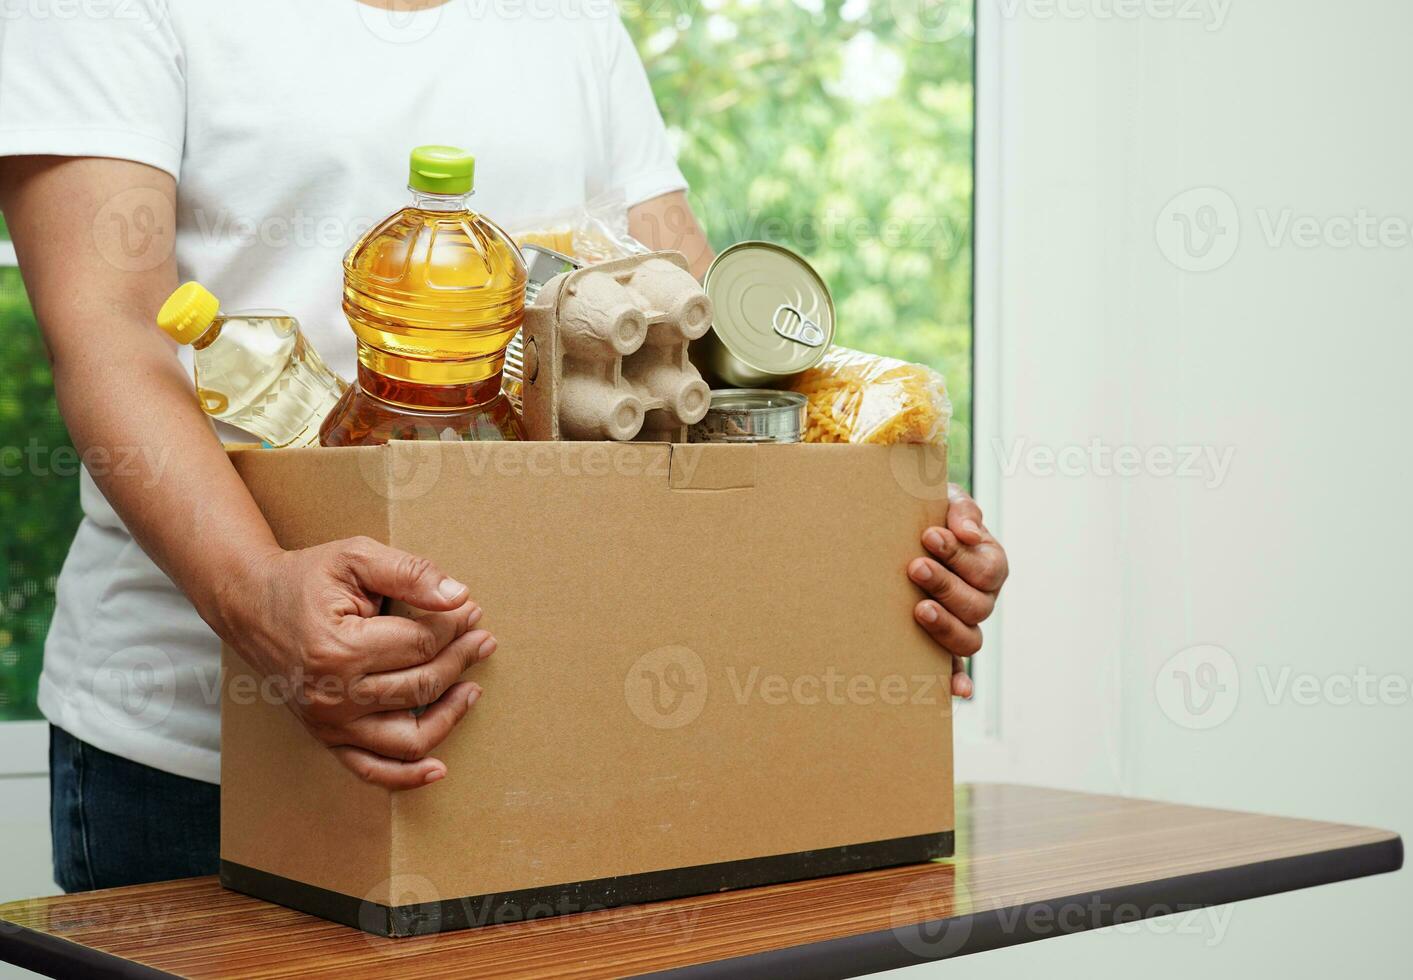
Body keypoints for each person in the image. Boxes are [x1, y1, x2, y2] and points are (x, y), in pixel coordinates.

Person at [0, 0, 1009, 893]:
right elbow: (112, 333)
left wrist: (873, 521)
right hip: (202, 754)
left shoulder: (569, 20)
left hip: (551, 726)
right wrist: (258, 596)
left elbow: (688, 320)